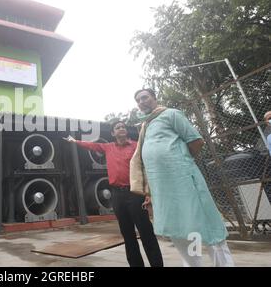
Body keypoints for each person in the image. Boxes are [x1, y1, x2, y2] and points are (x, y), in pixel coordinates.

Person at [130, 88, 234, 267]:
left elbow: (195, 141)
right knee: (180, 230)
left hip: (184, 180)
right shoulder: (145, 126)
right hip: (161, 188)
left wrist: (180, 163)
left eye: (145, 97)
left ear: (155, 98)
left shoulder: (171, 114)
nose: (142, 102)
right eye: (138, 100)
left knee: (207, 225)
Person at [64, 120, 163, 267]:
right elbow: (91, 145)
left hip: (135, 193)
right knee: (127, 234)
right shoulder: (108, 147)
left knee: (146, 232)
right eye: (118, 128)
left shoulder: (137, 146)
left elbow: (146, 168)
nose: (121, 129)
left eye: (123, 127)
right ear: (113, 133)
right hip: (117, 195)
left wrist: (148, 193)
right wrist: (75, 141)